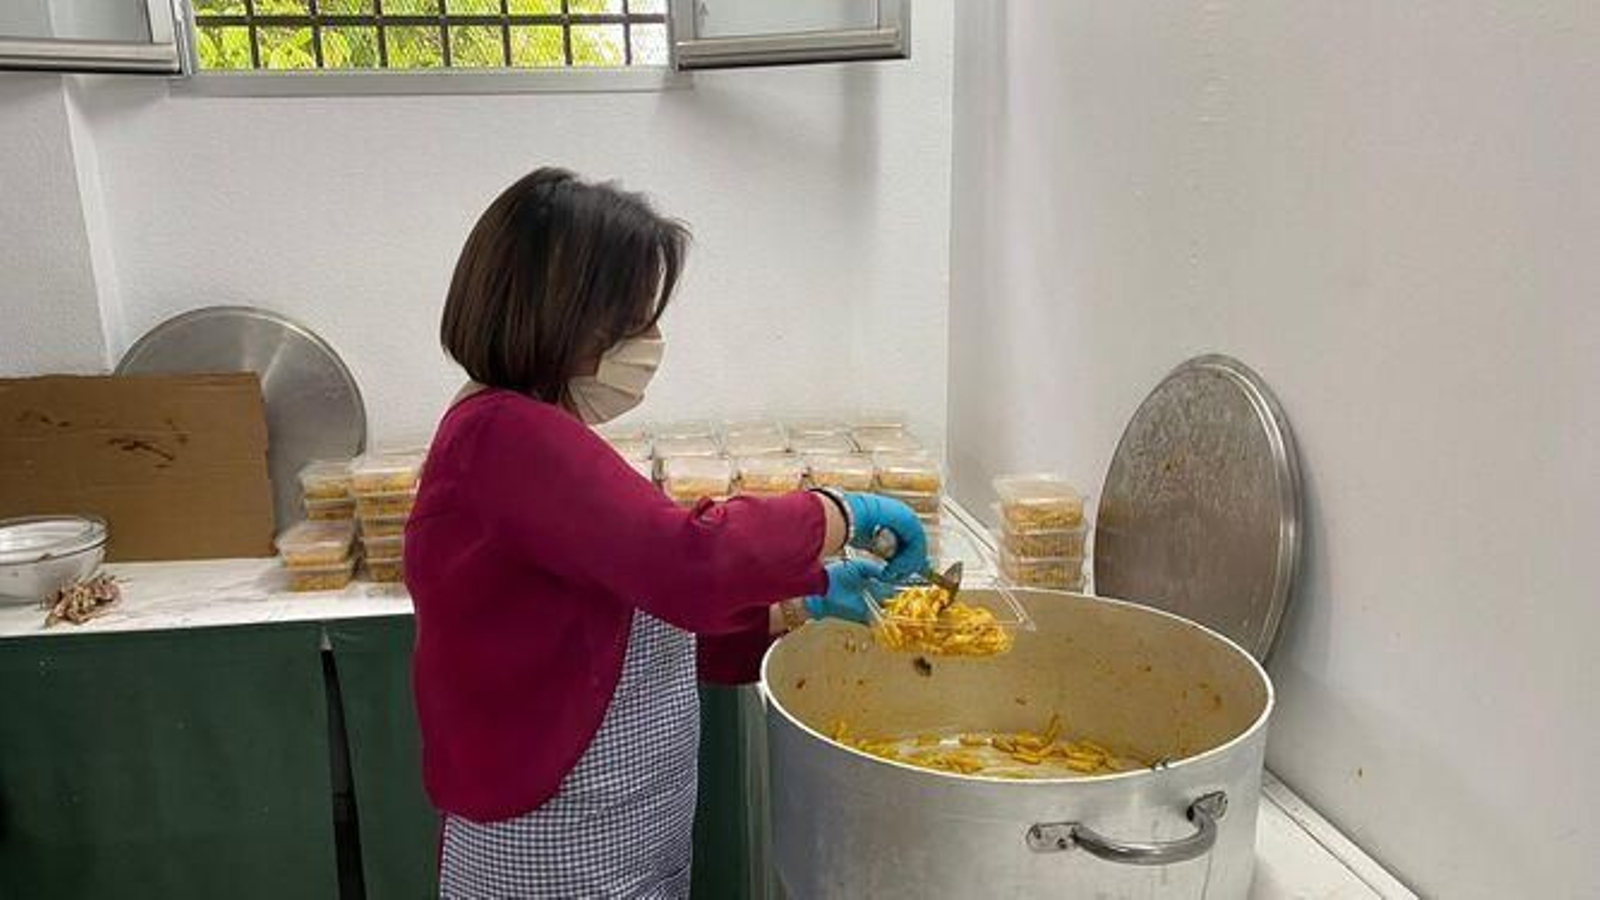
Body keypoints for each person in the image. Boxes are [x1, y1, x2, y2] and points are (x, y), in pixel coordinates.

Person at [404, 167, 928, 899]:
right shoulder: (504, 434)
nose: (652, 341)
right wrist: (838, 512)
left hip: (610, 825)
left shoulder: (531, 429)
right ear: (562, 317)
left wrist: (798, 606)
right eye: (634, 320)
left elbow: (630, 607)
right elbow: (690, 563)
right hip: (556, 842)